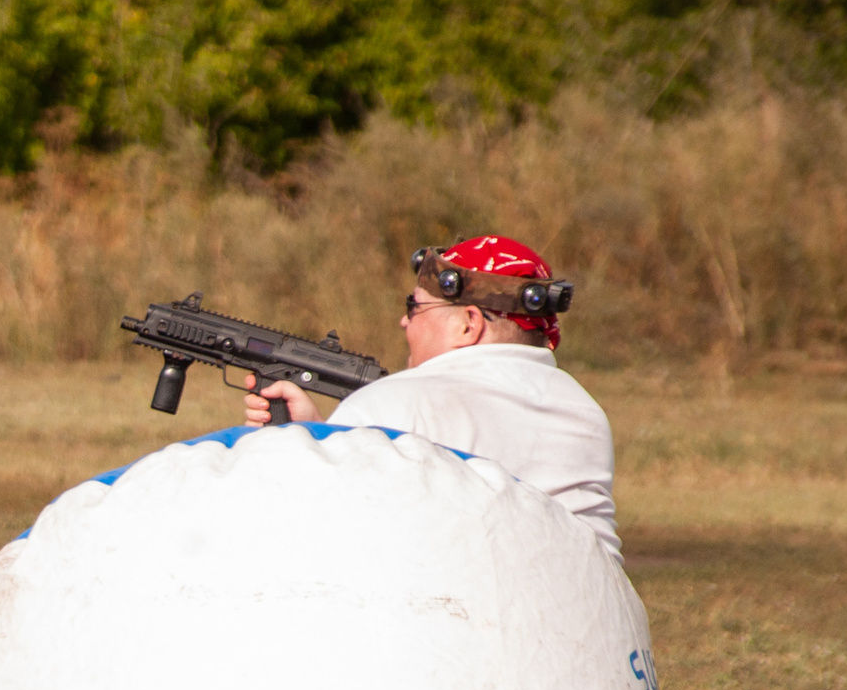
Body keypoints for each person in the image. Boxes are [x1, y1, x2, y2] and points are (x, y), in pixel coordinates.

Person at [244, 235, 620, 558]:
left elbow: (309, 530)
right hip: (599, 631)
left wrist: (297, 450)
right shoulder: (585, 411)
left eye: (416, 307)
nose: (405, 321)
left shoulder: (393, 405)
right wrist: (318, 434)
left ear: (467, 324)